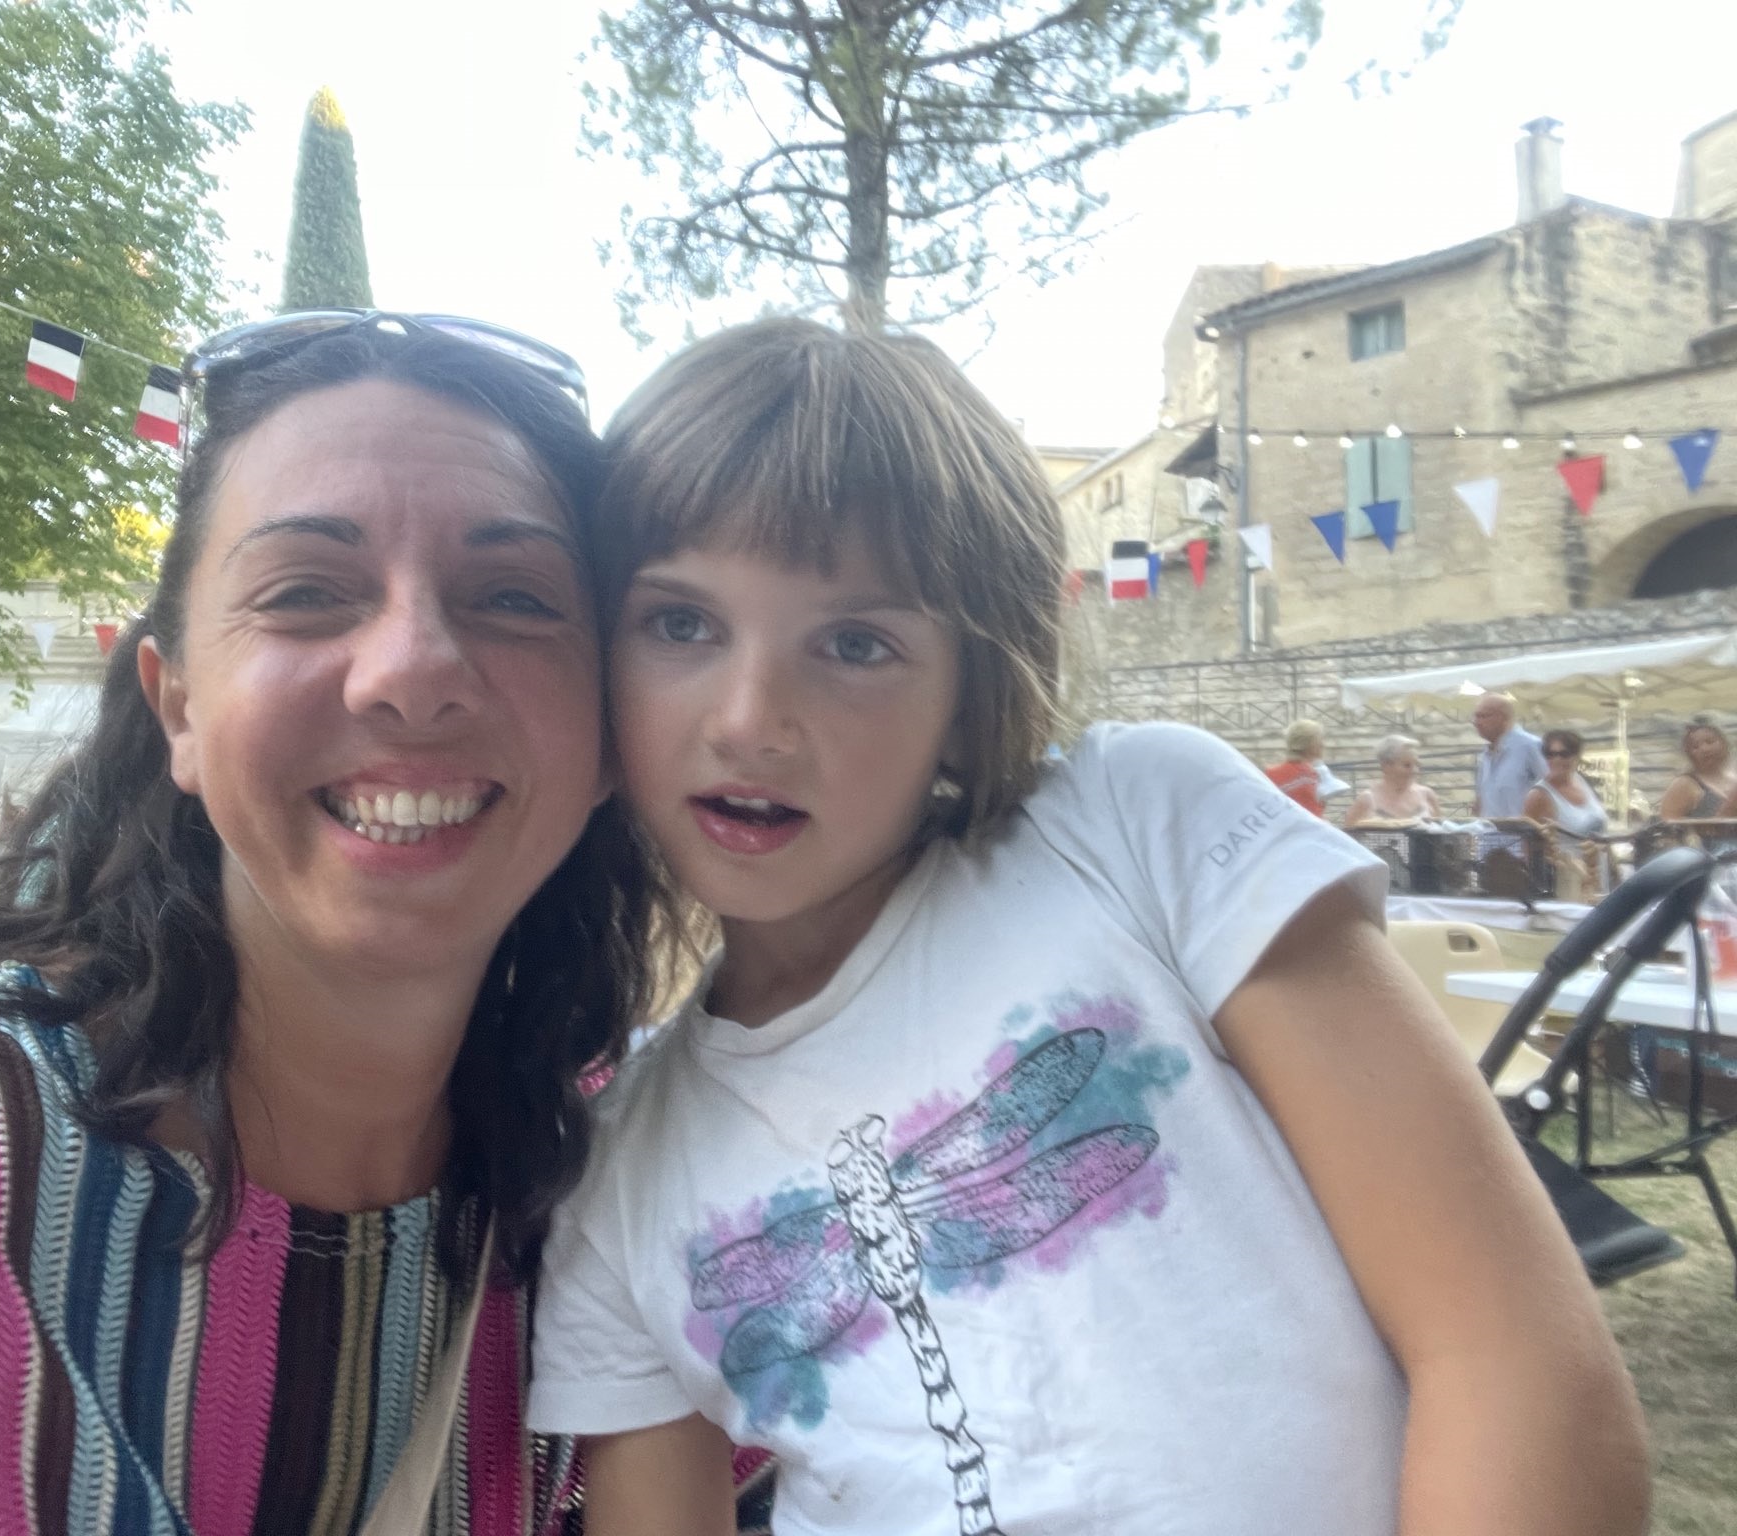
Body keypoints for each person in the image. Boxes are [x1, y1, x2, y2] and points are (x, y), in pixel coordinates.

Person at [529, 319, 1646, 1536]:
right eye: (680, 623)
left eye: (855, 643)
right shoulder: (616, 1166)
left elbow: (1507, 1352)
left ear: (972, 690)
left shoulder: (1132, 830)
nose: (751, 719)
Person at [0, 313, 672, 1533]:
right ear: (178, 709)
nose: (411, 669)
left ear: (609, 734)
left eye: (513, 597)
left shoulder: (662, 1197)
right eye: (308, 592)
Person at [1523, 729, 1610, 898]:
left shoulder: (1581, 782)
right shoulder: (1538, 796)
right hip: (1567, 885)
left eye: (1564, 754)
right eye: (1550, 754)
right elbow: (1527, 849)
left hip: (1599, 879)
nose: (1556, 760)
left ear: (1577, 756)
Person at [1473, 692, 1546, 819]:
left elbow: (1552, 791)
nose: (1476, 722)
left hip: (1525, 836)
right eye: (1475, 717)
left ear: (1503, 717)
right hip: (1490, 836)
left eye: (1483, 716)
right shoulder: (1485, 756)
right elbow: (1482, 803)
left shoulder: (1531, 746)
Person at [1345, 732, 1443, 826]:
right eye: (1407, 765)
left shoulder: (1427, 795)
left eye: (1417, 765)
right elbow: (1347, 839)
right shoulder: (1366, 799)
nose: (1414, 771)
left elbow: (1440, 836)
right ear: (1386, 766)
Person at [1658, 715, 1736, 821]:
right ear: (1689, 754)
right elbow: (1666, 829)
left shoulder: (1733, 778)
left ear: (1724, 743)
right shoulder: (1684, 784)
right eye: (1695, 747)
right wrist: (1728, 811)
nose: (1704, 749)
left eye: (1710, 742)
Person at [1264, 719, 1334, 816]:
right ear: (1310, 744)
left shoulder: (1269, 773)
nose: (1323, 745)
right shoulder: (1312, 775)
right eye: (1320, 740)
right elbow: (1314, 815)